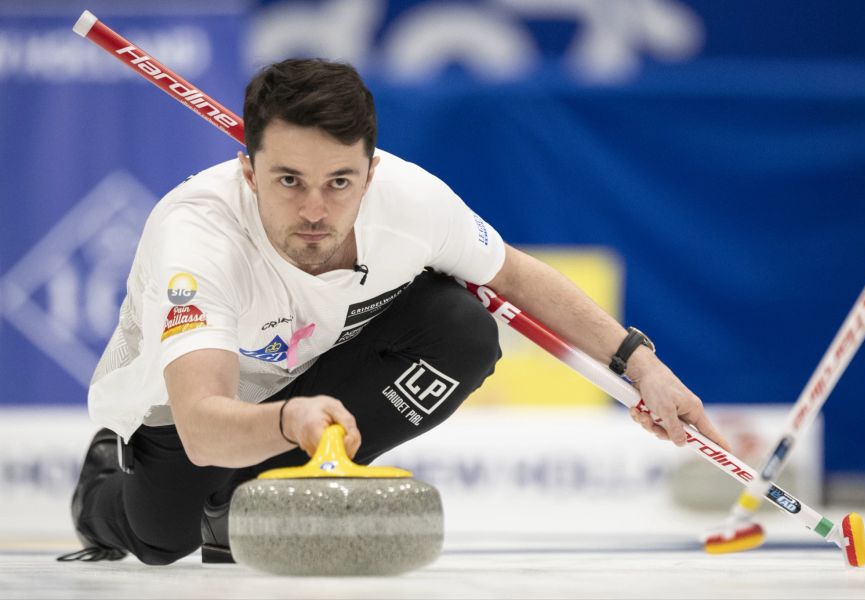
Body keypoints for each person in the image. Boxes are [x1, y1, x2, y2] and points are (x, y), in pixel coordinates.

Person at [61, 58, 730, 565]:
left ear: (371, 172)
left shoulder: (412, 201)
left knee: (464, 328)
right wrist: (291, 418)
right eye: (288, 180)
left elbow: (519, 278)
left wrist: (643, 366)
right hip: (190, 412)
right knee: (158, 540)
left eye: (339, 182)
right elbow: (205, 427)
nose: (316, 210)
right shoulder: (196, 237)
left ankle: (244, 511)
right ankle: (100, 493)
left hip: (315, 380)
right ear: (247, 168)